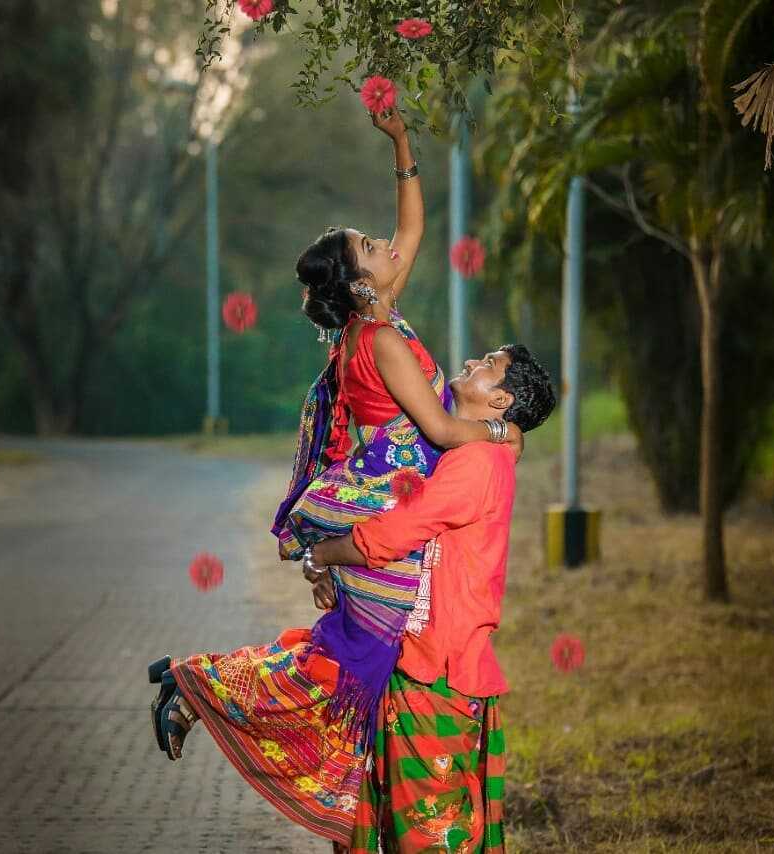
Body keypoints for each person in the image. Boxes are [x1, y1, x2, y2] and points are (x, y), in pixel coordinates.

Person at [146, 109, 523, 848]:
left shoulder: (380, 317)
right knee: (345, 668)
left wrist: (403, 146)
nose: (388, 246)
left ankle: (202, 691)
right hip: (390, 516)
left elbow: (412, 231)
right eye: (370, 248)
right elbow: (444, 431)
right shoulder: (379, 340)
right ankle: (199, 688)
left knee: (352, 669)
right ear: (358, 286)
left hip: (394, 514)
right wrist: (504, 434)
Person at [306, 345, 556, 853]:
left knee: (431, 830)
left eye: (488, 364)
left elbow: (396, 533)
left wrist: (324, 553)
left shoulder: (478, 463)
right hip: (419, 660)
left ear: (501, 397)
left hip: (434, 670)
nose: (472, 362)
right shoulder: (467, 451)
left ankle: (194, 687)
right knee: (401, 820)